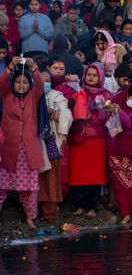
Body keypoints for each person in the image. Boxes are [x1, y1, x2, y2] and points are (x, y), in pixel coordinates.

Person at [0, 57, 44, 228]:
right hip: (8, 149)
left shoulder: (33, 96)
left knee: (31, 189)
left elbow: (39, 83)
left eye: (25, 82)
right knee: (1, 187)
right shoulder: (6, 95)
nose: (21, 85)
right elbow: (2, 82)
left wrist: (34, 68)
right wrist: (11, 67)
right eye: (18, 82)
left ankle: (30, 218)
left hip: (28, 151)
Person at [68, 64, 112, 217]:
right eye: (89, 74)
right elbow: (70, 111)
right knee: (77, 173)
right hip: (79, 137)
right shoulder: (78, 93)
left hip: (97, 139)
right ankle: (79, 205)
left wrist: (91, 117)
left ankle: (92, 206)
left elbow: (107, 115)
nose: (91, 77)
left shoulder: (106, 95)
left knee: (95, 174)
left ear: (100, 77)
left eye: (94, 74)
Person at [107, 83, 132, 226]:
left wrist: (119, 112)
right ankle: (125, 214)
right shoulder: (117, 98)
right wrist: (108, 109)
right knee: (119, 182)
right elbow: (103, 115)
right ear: (127, 95)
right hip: (115, 145)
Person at [38, 68, 72, 220]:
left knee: (52, 180)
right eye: (41, 80)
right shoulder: (31, 96)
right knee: (37, 179)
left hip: (51, 142)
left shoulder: (57, 96)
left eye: (47, 80)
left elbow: (66, 114)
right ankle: (36, 211)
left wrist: (53, 113)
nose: (45, 83)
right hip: (36, 142)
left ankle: (51, 213)